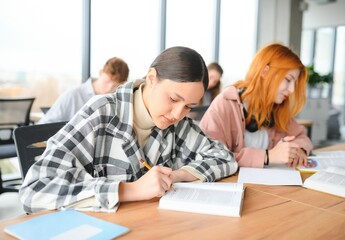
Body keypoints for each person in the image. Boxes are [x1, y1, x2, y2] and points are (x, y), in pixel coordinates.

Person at [19, 46, 238, 213]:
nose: (177, 114)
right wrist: (130, 190)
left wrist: (178, 175)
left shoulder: (179, 124)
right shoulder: (101, 112)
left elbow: (224, 158)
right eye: (173, 99)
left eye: (188, 106)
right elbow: (35, 188)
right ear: (151, 78)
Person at [200, 43, 313, 168]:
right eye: (288, 80)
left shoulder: (276, 108)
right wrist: (268, 156)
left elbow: (301, 136)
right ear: (265, 72)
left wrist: (300, 150)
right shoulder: (225, 104)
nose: (292, 89)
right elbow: (210, 156)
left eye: (294, 83)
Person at [38, 57, 129, 124]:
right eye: (108, 81)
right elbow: (43, 125)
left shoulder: (116, 101)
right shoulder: (73, 95)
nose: (110, 88)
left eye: (115, 86)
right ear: (101, 73)